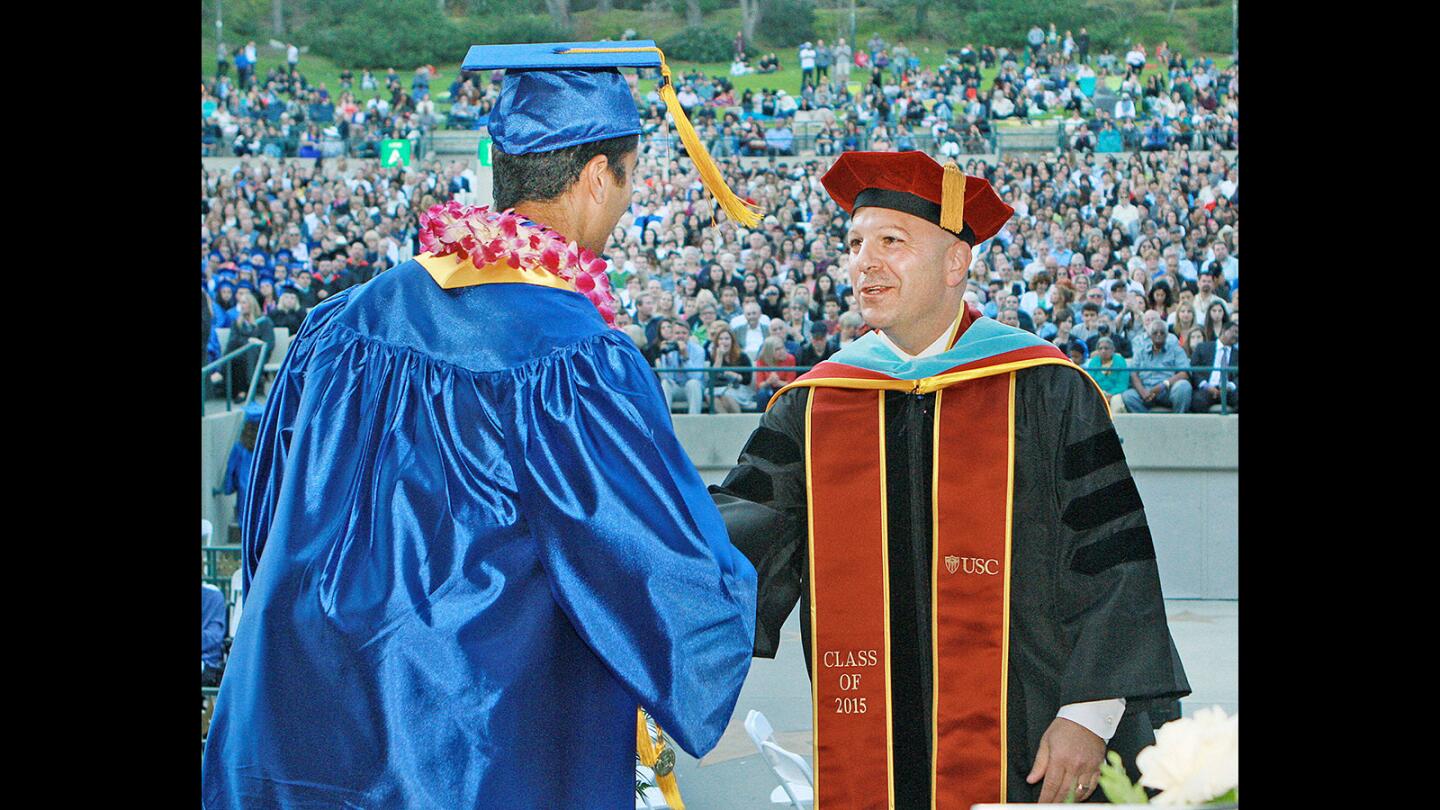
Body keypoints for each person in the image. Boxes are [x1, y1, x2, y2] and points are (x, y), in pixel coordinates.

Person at [202, 41, 760, 809]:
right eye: (630, 180)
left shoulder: (340, 326)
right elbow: (659, 576)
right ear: (599, 176)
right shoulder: (574, 363)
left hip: (289, 732)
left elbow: (271, 527)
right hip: (459, 755)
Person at [711, 151, 1189, 808]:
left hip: (1033, 737)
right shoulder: (814, 406)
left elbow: (1111, 562)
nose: (864, 261)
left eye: (891, 242)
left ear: (956, 262)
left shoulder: (1045, 389)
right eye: (853, 244)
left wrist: (1090, 716)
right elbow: (730, 550)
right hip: (878, 746)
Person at [1124, 318, 1193, 413]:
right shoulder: (1141, 351)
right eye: (1155, 332)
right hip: (1146, 390)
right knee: (1128, 395)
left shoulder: (1176, 350)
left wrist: (1162, 386)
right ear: (1150, 335)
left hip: (1167, 390)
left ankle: (1178, 422)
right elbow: (1133, 373)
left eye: (1162, 332)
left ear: (1167, 335)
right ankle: (1148, 424)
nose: (1159, 335)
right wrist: (1142, 392)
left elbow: (1184, 373)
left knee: (1184, 386)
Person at [1190, 322, 1239, 412]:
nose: (1237, 336)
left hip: (1229, 391)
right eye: (1235, 332)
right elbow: (1194, 370)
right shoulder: (1203, 347)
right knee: (1197, 401)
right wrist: (1206, 386)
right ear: (1224, 331)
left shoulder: (1237, 353)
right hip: (1207, 389)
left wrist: (1230, 386)